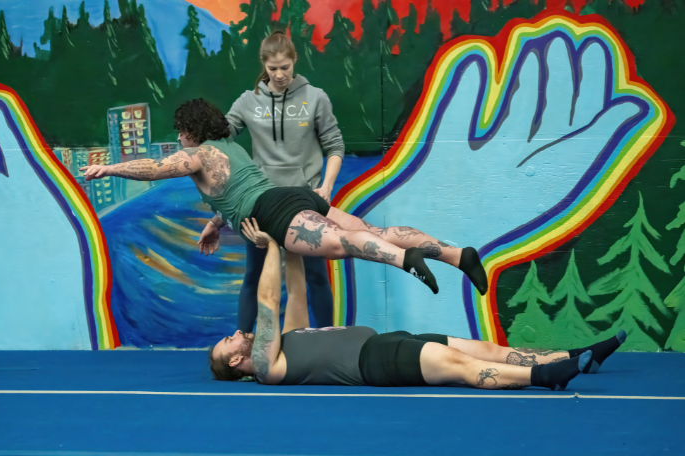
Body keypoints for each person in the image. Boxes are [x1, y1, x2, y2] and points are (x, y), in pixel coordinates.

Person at [80, 98, 488, 296]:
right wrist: (212, 225)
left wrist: (108, 167)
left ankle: (406, 261)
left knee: (342, 244)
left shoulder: (197, 154)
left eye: (180, 131)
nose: (179, 138)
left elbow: (154, 169)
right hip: (290, 197)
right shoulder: (230, 149)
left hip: (274, 212)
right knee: (370, 229)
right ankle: (455, 254)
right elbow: (232, 194)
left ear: (189, 130)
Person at [209, 220, 627, 389]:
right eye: (226, 343)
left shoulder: (284, 341)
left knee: (485, 349)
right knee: (462, 368)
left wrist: (286, 234)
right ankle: (546, 376)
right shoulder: (266, 365)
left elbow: (294, 292)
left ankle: (576, 356)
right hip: (377, 362)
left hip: (390, 342)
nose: (233, 335)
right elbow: (267, 301)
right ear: (234, 363)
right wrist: (265, 246)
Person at [205, 31, 343, 332]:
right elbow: (218, 148)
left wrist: (327, 186)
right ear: (263, 66)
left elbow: (335, 146)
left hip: (303, 201)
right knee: (253, 274)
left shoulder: (315, 97)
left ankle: (328, 341)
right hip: (260, 204)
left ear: (294, 61)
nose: (279, 75)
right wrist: (218, 217)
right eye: (272, 68)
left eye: (285, 67)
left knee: (317, 275)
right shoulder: (246, 101)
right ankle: (242, 341)